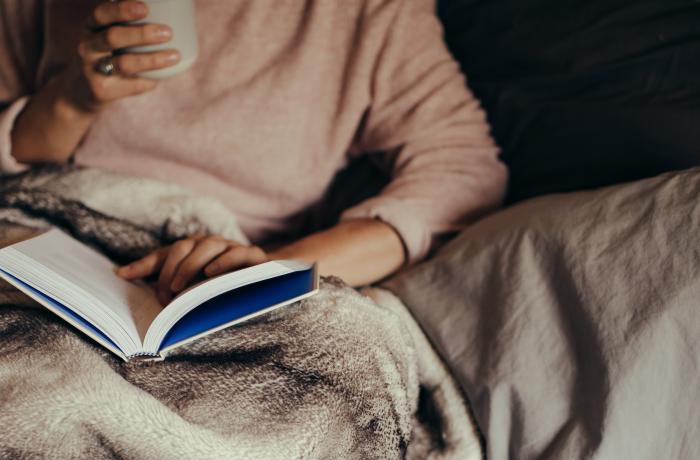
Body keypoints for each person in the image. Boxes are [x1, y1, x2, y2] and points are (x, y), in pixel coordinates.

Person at [0, 0, 506, 305]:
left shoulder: (362, 15)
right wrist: (70, 101)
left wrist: (269, 273)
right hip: (47, 235)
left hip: (218, 278)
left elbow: (463, 173)